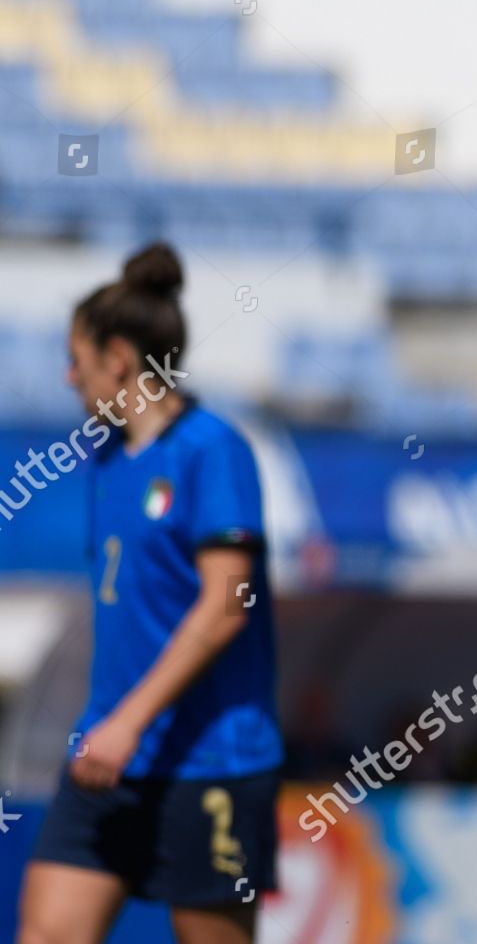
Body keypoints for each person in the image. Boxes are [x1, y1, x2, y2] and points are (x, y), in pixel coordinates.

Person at [19, 243, 282, 944]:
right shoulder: (105, 459)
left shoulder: (212, 449)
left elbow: (228, 605)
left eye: (77, 358)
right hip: (106, 757)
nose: (68, 377)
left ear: (120, 360)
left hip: (209, 763)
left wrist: (130, 722)